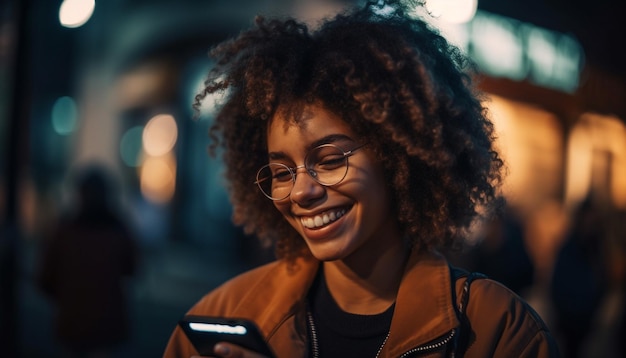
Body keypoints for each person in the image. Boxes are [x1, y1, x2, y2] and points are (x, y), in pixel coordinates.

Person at [164, 1, 560, 357]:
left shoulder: (497, 332)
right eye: (282, 171)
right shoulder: (226, 315)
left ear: (395, 154)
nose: (301, 191)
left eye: (331, 159)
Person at [38, 164, 138, 358]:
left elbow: (45, 279)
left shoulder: (64, 230)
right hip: (106, 325)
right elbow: (132, 269)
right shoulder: (118, 230)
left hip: (71, 322)